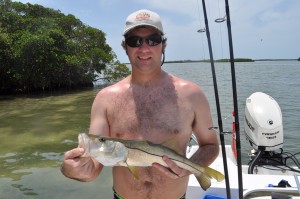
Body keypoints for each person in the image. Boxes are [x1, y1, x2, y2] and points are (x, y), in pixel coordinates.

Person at [61, 9, 219, 199]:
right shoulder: (105, 98)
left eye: (152, 40)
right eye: (134, 41)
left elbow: (210, 145)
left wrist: (188, 168)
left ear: (163, 45)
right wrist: (74, 170)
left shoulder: (193, 94)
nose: (144, 48)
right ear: (125, 47)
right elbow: (93, 167)